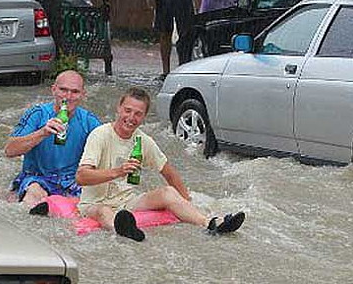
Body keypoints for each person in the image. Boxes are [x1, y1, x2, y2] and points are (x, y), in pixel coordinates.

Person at [75, 87, 245, 241]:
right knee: (103, 211)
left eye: (138, 114)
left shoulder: (143, 140)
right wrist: (118, 171)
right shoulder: (100, 135)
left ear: (144, 117)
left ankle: (211, 223)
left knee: (168, 192)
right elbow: (81, 177)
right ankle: (123, 231)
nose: (131, 118)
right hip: (94, 203)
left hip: (127, 202)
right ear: (118, 108)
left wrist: (185, 201)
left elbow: (169, 172)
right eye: (127, 111)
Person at [4, 70, 101, 210]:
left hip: (71, 181)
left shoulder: (89, 122)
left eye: (75, 92)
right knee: (34, 194)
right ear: (53, 90)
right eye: (63, 90)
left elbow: (105, 157)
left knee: (83, 207)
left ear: (83, 95)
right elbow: (9, 150)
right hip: (37, 178)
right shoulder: (37, 114)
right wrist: (42, 133)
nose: (68, 96)